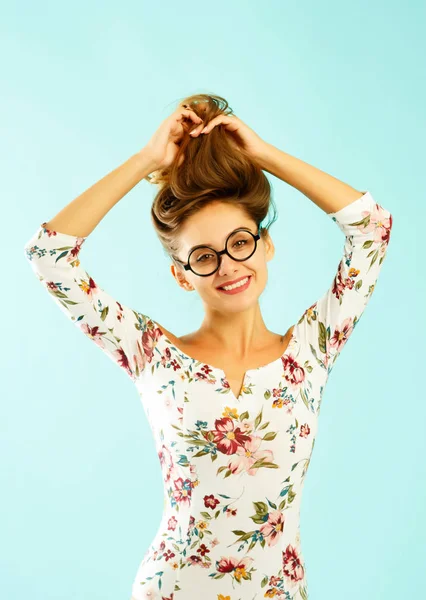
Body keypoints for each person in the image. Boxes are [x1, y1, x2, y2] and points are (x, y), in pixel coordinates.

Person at [24, 93, 393, 600]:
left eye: (240, 242)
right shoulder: (152, 354)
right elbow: (49, 255)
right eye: (203, 256)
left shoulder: (313, 349)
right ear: (181, 276)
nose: (228, 266)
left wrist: (263, 155)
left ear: (266, 244)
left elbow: (371, 226)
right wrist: (146, 161)